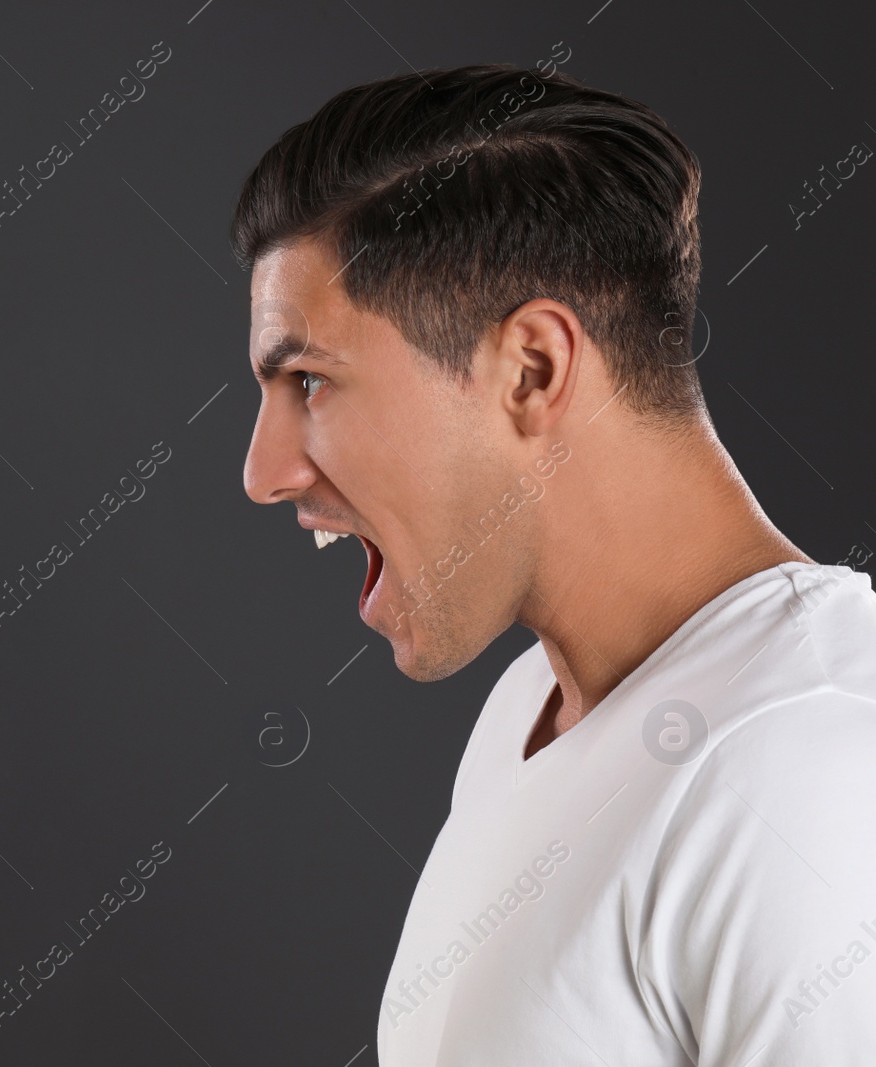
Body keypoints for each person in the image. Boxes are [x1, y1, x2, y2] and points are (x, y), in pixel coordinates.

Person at [233, 64, 876, 1063]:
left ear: (531, 368)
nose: (262, 472)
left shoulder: (807, 769)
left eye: (310, 379)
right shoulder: (526, 707)